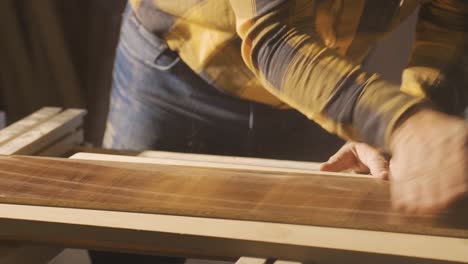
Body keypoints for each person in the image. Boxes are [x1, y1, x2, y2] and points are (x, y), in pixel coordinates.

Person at [95, 0, 467, 262]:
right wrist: (404, 124)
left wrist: (415, 110)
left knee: (301, 249)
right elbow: (274, 35)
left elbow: (453, 18)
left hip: (326, 76)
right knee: (127, 246)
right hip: (177, 63)